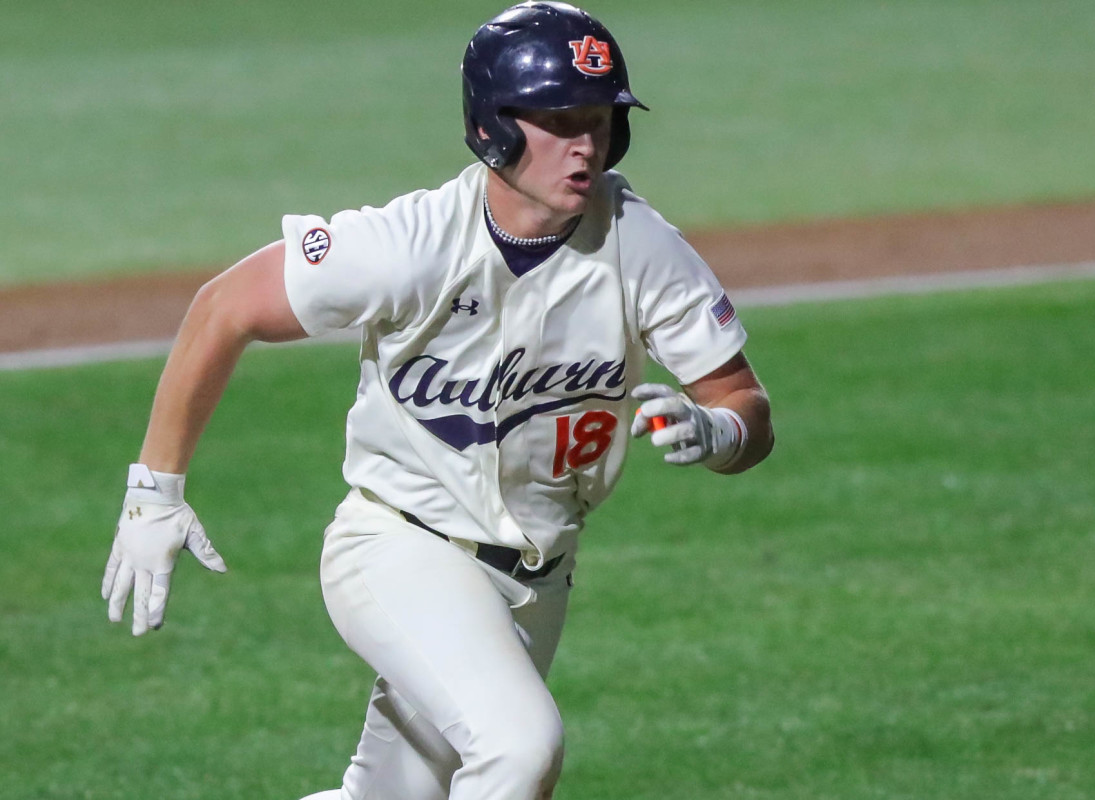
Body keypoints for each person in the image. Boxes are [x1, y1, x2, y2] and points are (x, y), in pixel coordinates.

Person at [101, 2, 774, 798]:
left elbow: (745, 404)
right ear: (495, 126)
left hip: (538, 578)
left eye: (598, 118)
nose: (585, 143)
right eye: (559, 119)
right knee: (519, 748)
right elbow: (224, 308)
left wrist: (719, 431)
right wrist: (154, 491)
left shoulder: (640, 244)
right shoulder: (408, 245)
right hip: (399, 547)